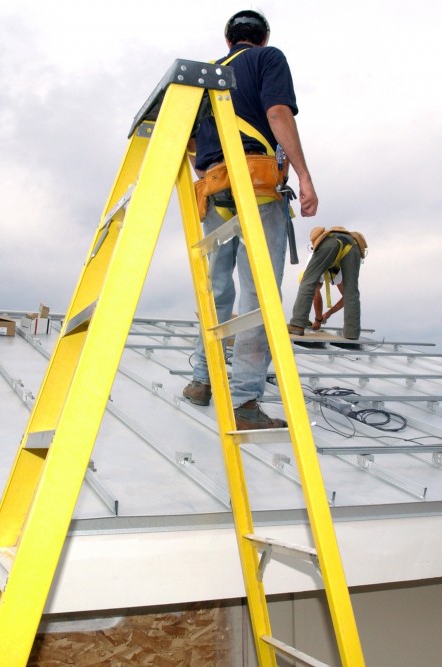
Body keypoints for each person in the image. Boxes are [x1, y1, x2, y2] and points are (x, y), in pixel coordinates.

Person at [182, 9, 318, 430]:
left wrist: (208, 172)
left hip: (214, 190)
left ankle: (202, 381)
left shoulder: (203, 77)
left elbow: (186, 142)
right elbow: (278, 114)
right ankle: (243, 402)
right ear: (262, 38)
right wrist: (305, 176)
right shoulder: (267, 59)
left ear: (228, 41)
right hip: (256, 186)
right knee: (256, 295)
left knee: (217, 289)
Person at [287, 226, 364, 344]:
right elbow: (347, 297)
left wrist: (318, 319)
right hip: (353, 246)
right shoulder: (336, 273)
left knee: (307, 282)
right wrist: (328, 313)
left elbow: (313, 292)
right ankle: (352, 333)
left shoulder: (314, 259)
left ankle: (297, 324)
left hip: (330, 244)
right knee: (352, 291)